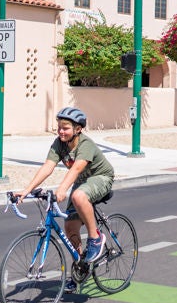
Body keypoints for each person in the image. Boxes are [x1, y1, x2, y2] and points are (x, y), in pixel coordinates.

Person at [13, 106, 115, 292]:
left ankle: (95, 238)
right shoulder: (59, 143)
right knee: (69, 227)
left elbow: (76, 169)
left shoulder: (85, 145)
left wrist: (61, 190)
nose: (61, 131)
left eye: (66, 127)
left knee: (78, 195)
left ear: (78, 129)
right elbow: (47, 167)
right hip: (82, 182)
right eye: (59, 127)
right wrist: (27, 190)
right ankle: (81, 269)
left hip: (101, 177)